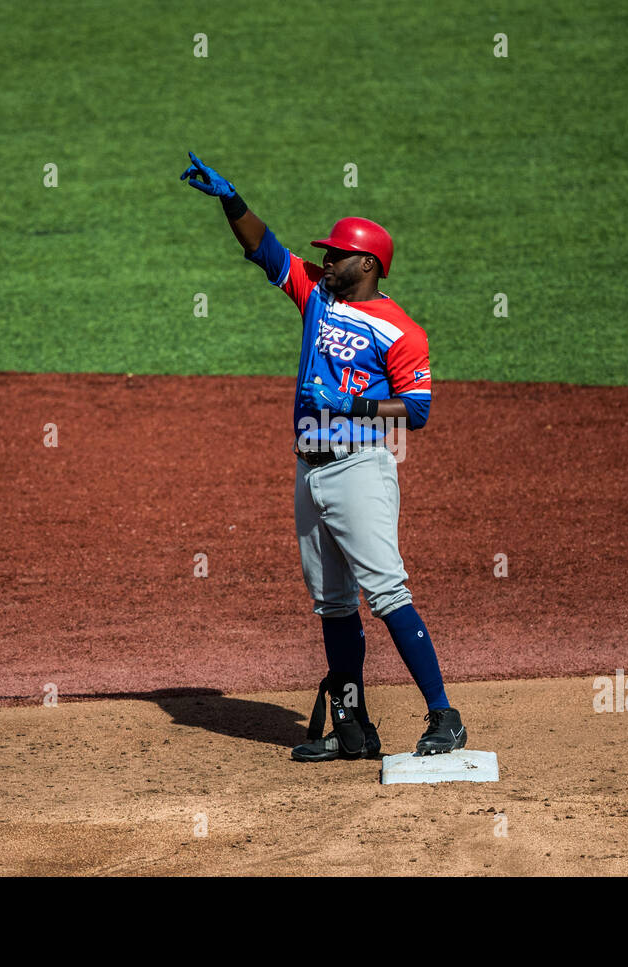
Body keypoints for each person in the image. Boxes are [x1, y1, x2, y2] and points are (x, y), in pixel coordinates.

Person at [180, 151, 466, 761]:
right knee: (333, 606)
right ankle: (352, 726)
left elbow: (417, 410)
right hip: (308, 469)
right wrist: (232, 202)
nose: (326, 260)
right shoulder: (317, 296)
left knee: (387, 592)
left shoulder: (400, 330)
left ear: (366, 263)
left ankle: (444, 717)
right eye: (326, 254)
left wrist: (351, 405)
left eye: (336, 254)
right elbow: (267, 251)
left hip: (360, 467)